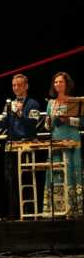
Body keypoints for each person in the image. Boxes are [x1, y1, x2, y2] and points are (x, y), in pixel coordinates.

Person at [42, 72, 82, 218]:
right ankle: (58, 209)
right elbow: (47, 126)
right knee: (57, 171)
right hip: (56, 140)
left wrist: (68, 120)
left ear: (67, 84)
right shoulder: (50, 103)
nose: (58, 84)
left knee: (71, 170)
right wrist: (49, 122)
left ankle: (74, 208)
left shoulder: (75, 101)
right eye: (56, 82)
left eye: (61, 82)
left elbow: (82, 122)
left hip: (72, 139)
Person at [2, 74, 42, 219]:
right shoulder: (9, 104)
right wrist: (7, 113)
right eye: (13, 85)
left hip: (27, 145)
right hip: (12, 144)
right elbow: (2, 125)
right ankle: (13, 213)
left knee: (27, 178)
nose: (16, 88)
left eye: (19, 85)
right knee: (11, 179)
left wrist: (20, 114)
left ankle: (30, 212)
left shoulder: (33, 104)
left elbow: (33, 124)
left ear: (26, 86)